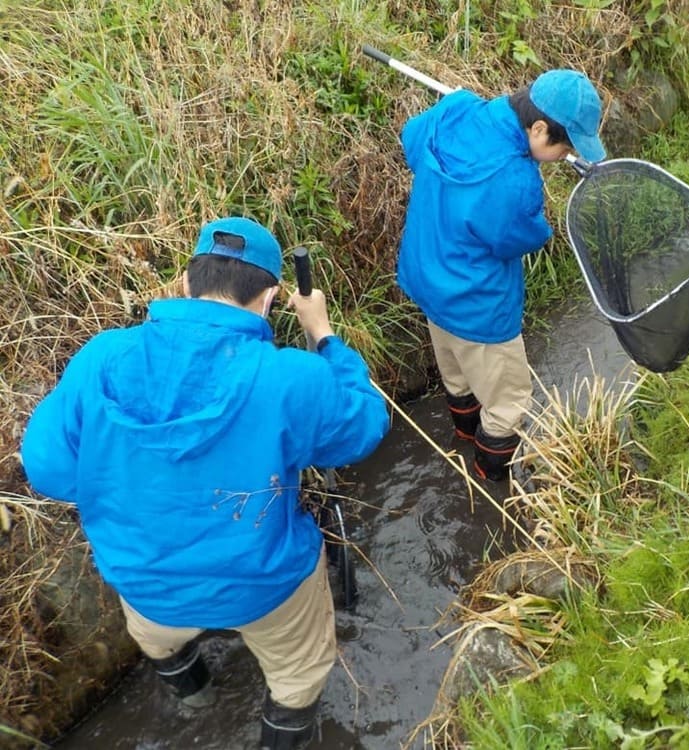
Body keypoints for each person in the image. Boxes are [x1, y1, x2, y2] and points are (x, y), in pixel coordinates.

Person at [20, 217, 390, 750]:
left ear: (185, 284)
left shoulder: (100, 359)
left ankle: (194, 698)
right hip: (265, 588)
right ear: (269, 299)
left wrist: (132, 490)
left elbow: (49, 469)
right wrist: (323, 334)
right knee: (298, 673)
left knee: (157, 639)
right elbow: (364, 427)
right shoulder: (288, 376)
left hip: (146, 585)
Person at [396, 69, 606, 481]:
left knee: (457, 375)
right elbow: (518, 240)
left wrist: (455, 104)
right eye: (564, 147)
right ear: (539, 128)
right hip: (478, 307)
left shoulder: (456, 110)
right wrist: (541, 226)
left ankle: (463, 437)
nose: (566, 156)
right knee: (509, 405)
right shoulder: (516, 180)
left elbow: (411, 140)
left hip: (429, 284)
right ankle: (489, 487)